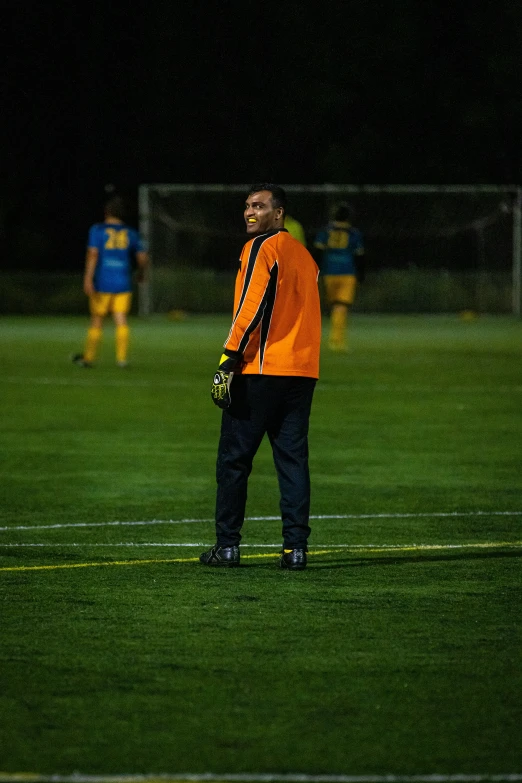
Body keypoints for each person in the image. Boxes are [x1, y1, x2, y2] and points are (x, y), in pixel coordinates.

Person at [201, 183, 322, 571]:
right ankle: (295, 550)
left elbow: (251, 306)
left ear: (279, 213)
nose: (250, 212)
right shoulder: (305, 256)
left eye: (259, 206)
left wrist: (227, 359)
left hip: (260, 371)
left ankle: (228, 546)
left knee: (234, 461)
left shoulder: (260, 247)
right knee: (292, 462)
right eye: (247, 206)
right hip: (301, 373)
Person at [72, 196, 148, 368]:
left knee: (97, 319)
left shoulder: (97, 230)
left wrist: (88, 278)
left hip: (103, 281)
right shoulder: (131, 233)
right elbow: (143, 257)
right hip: (123, 281)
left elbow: (93, 255)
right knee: (121, 319)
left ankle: (89, 358)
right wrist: (141, 273)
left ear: (106, 212)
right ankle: (121, 359)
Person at [313, 202, 365, 352]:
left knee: (332, 305)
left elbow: (318, 252)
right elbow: (360, 256)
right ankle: (337, 340)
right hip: (347, 271)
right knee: (341, 306)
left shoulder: (325, 231)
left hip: (329, 271)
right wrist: (361, 275)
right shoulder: (353, 233)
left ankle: (327, 339)